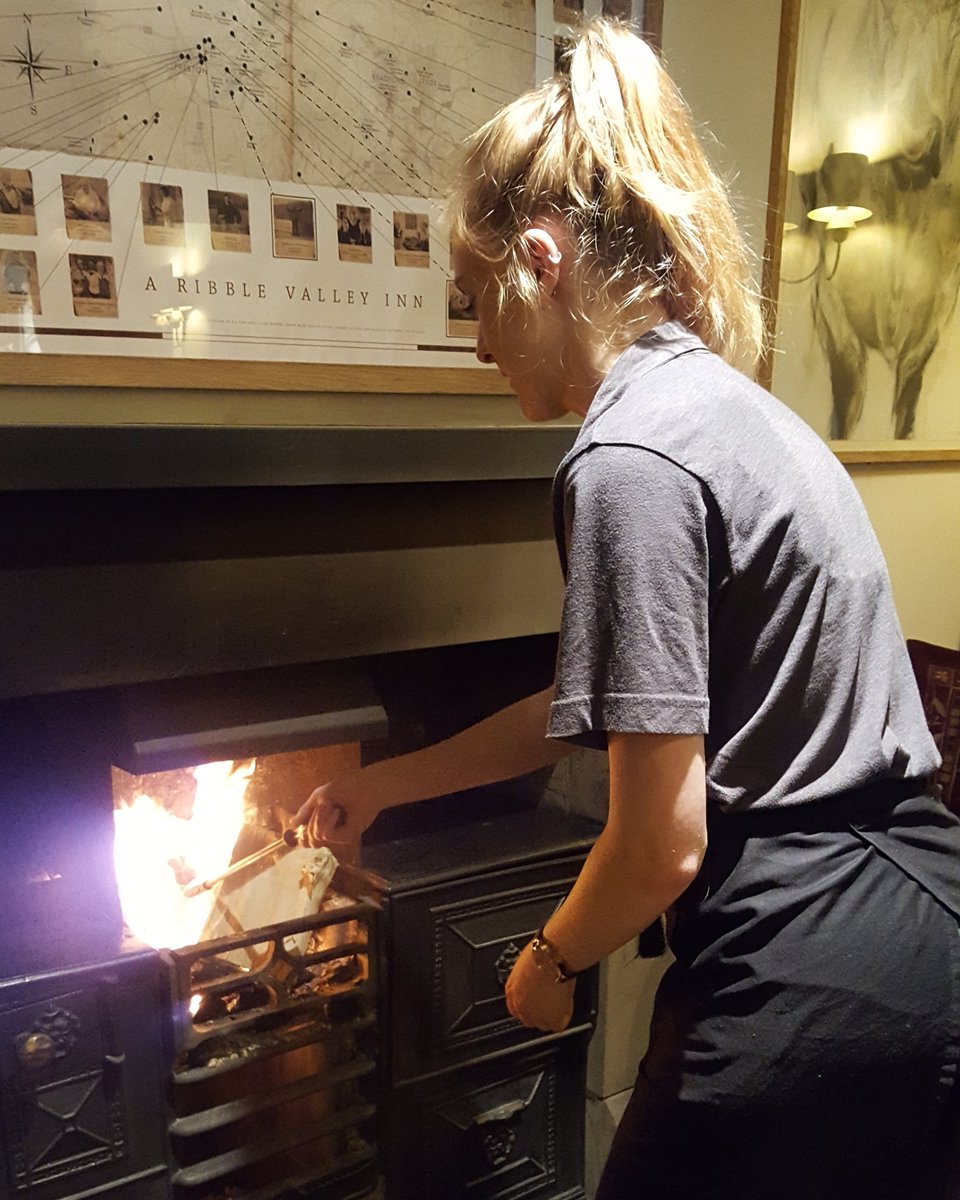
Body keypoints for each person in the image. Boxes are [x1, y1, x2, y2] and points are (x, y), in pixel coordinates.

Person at [296, 20, 960, 1200]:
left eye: (473, 299)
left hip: (809, 974)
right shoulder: (717, 405)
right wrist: (383, 788)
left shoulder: (629, 459)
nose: (477, 342)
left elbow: (662, 843)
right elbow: (599, 704)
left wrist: (550, 959)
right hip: (918, 927)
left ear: (540, 261)